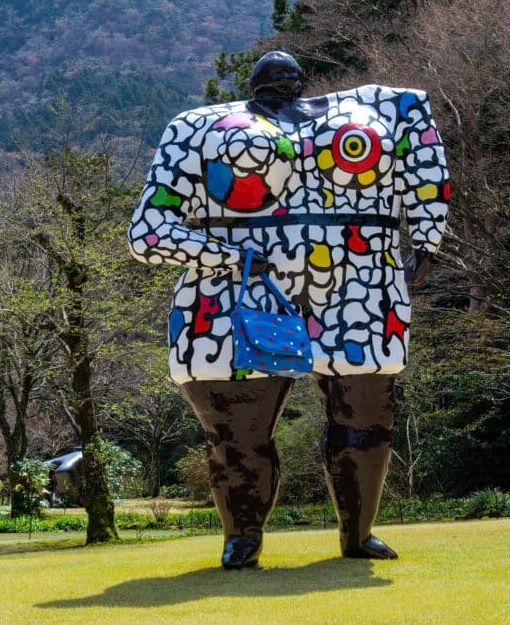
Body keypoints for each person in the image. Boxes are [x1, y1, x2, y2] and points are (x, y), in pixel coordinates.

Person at [128, 51, 449, 568]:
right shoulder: (196, 128)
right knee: (237, 434)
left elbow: (425, 163)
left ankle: (358, 533)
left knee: (366, 419)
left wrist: (428, 236)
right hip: (236, 295)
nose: (281, 82)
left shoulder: (387, 112)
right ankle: (242, 537)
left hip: (358, 284)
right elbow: (148, 232)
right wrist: (229, 258)